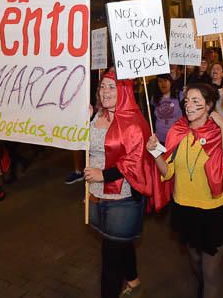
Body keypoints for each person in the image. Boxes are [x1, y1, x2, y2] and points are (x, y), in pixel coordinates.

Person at [146, 82, 223, 298]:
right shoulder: (178, 131)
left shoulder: (218, 133)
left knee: (211, 273)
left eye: (196, 102)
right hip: (184, 208)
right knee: (196, 261)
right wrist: (155, 154)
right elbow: (168, 172)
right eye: (187, 101)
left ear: (208, 106)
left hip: (213, 210)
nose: (188, 106)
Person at [85, 71, 151, 298]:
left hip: (121, 200)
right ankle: (134, 280)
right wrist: (84, 121)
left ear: (124, 90)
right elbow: (87, 150)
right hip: (95, 195)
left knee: (110, 261)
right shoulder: (96, 115)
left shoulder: (133, 120)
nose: (105, 91)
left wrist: (103, 175)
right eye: (103, 86)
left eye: (112, 87)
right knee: (119, 243)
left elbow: (134, 160)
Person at [150, 74, 183, 143]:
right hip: (159, 139)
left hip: (176, 138)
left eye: (165, 80)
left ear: (170, 82)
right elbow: (152, 118)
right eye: (160, 81)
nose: (163, 84)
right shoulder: (154, 98)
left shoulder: (180, 95)